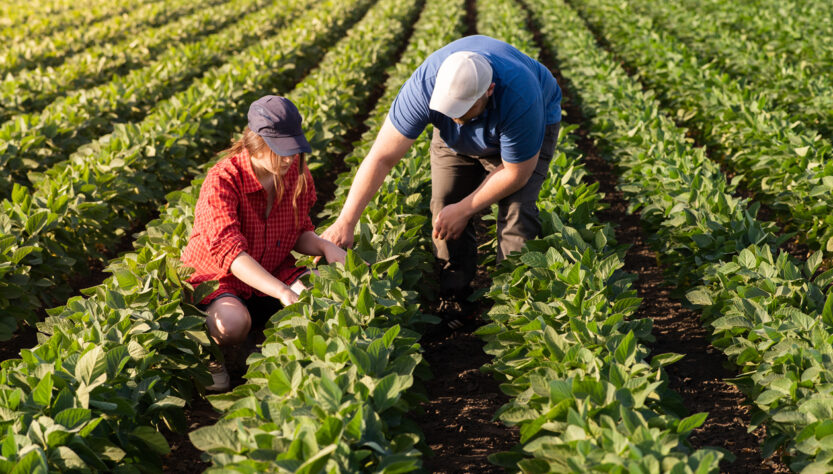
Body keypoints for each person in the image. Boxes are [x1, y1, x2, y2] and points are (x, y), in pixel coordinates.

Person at [322, 35, 562, 321]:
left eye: (461, 110)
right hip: (454, 143)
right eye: (447, 109)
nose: (453, 117)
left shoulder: (520, 96)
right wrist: (345, 221)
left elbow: (515, 173)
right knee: (444, 207)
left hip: (522, 133)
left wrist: (465, 209)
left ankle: (515, 309)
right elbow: (381, 157)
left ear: (489, 91)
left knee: (516, 215)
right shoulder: (426, 85)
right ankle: (455, 297)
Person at [182, 95, 346, 391]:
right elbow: (232, 255)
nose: (288, 158)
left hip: (271, 265)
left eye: (293, 149)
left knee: (324, 292)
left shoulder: (295, 172)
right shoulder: (223, 180)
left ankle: (264, 344)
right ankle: (211, 351)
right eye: (280, 150)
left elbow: (299, 232)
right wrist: (281, 290)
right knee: (231, 324)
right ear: (254, 143)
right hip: (222, 277)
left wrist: (325, 247)